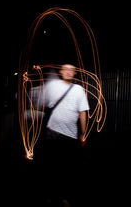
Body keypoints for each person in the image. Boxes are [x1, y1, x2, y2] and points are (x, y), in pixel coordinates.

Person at [40, 64, 90, 206]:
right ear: (61, 71)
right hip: (52, 131)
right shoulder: (53, 85)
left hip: (70, 134)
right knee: (51, 166)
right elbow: (40, 101)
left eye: (72, 70)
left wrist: (83, 133)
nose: (68, 72)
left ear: (75, 73)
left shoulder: (79, 89)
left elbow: (83, 112)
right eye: (66, 69)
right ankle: (49, 195)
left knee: (67, 168)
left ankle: (64, 197)